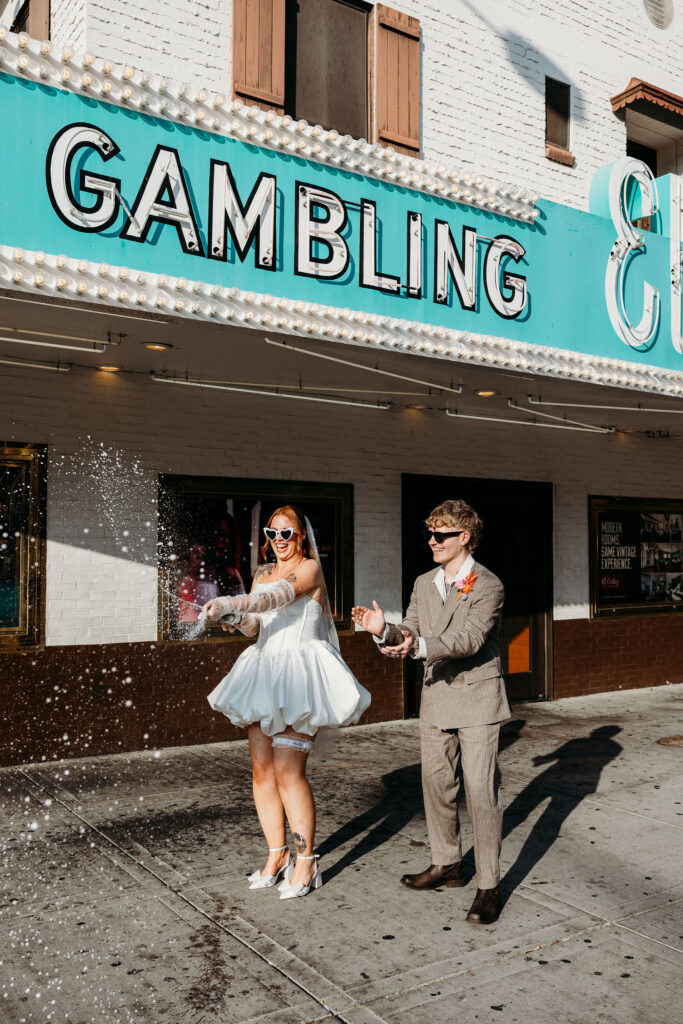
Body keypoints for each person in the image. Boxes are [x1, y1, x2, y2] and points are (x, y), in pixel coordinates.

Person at [352, 499, 510, 925]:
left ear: (464, 538)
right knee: (436, 784)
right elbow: (412, 627)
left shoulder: (487, 584)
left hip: (477, 699)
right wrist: (384, 631)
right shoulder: (425, 582)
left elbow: (470, 639)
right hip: (437, 696)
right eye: (430, 534)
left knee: (480, 792)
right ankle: (448, 863)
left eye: (441, 535)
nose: (432, 541)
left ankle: (488, 886)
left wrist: (417, 647)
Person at [203, 505, 371, 900]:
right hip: (264, 673)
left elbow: (274, 599)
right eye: (272, 533)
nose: (279, 541)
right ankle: (277, 855)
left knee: (287, 771)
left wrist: (231, 601)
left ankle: (307, 860)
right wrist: (231, 619)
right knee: (261, 771)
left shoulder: (309, 569)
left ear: (301, 536)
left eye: (287, 533)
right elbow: (255, 626)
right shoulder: (262, 573)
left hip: (300, 676)